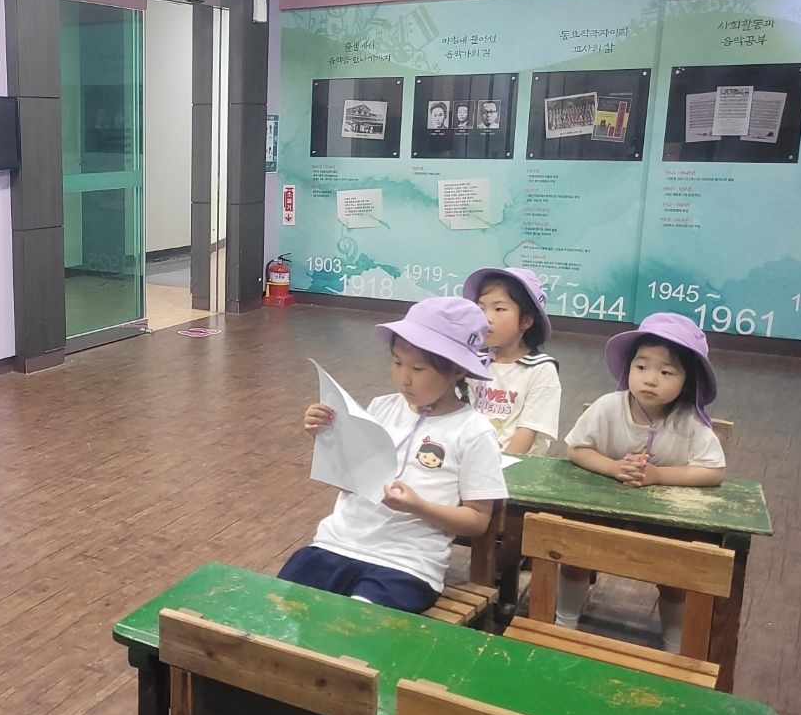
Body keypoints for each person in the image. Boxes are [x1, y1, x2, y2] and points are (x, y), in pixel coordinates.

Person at [279, 297, 506, 613]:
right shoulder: (381, 407)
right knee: (280, 612)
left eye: (418, 368)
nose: (404, 378)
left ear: (457, 369)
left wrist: (417, 506)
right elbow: (350, 484)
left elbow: (478, 520)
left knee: (354, 624)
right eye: (397, 362)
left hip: (407, 565)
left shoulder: (473, 430)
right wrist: (327, 437)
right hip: (334, 545)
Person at [561, 312, 725, 650]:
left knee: (675, 577)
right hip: (602, 509)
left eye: (666, 372)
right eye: (641, 366)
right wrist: (613, 467)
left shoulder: (689, 421)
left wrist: (659, 476)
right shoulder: (608, 407)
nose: (650, 379)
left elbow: (713, 471)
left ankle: (675, 645)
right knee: (574, 554)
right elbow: (576, 448)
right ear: (629, 369)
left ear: (687, 381)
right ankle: (564, 625)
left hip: (665, 521)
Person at [463, 267, 560, 456]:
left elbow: (528, 431)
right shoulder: (473, 362)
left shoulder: (541, 369)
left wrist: (500, 466)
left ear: (526, 321)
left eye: (499, 309)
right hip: (473, 459)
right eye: (481, 308)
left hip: (517, 466)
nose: (486, 318)